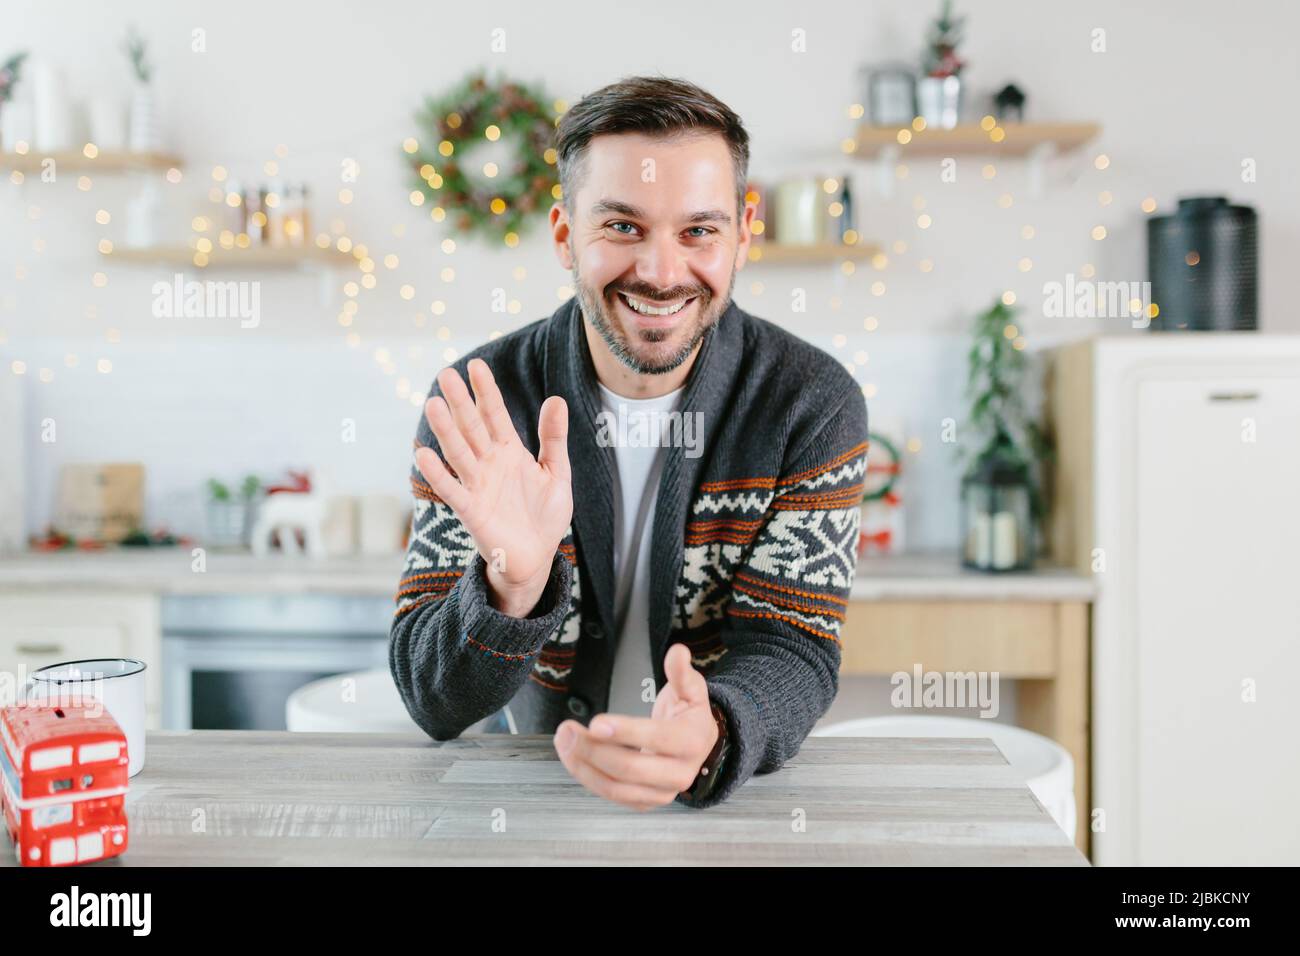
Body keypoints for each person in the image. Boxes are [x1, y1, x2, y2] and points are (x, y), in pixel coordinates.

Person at [390, 75, 868, 810]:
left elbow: (793, 649)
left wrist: (711, 731)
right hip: (532, 806)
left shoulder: (810, 404)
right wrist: (511, 587)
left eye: (698, 230)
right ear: (564, 235)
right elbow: (433, 700)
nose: (661, 271)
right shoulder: (482, 406)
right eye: (622, 227)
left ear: (743, 233)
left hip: (722, 801)